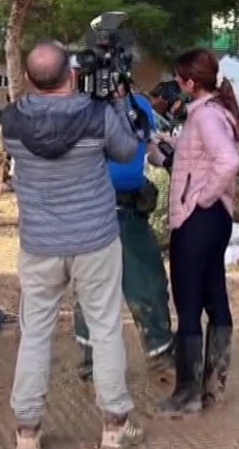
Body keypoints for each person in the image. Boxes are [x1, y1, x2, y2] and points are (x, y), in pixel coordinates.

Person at [2, 41, 144, 449]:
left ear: (28, 79)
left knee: (34, 334)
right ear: (72, 73)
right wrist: (115, 103)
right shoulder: (96, 115)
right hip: (95, 240)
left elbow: (44, 134)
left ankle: (27, 431)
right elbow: (127, 150)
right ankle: (115, 429)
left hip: (40, 244)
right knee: (104, 330)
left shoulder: (11, 121)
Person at [148, 47, 239, 418]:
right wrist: (171, 150)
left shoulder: (205, 116)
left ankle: (187, 394)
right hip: (216, 218)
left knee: (188, 304)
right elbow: (203, 157)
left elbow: (228, 160)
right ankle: (213, 385)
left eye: (179, 77)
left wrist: (199, 196)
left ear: (191, 82)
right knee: (214, 296)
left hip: (197, 219)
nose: (175, 83)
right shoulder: (215, 111)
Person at [72, 84, 176, 381]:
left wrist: (170, 159)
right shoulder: (79, 109)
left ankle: (159, 352)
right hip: (92, 210)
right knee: (91, 286)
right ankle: (92, 361)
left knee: (148, 281)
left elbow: (150, 147)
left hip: (129, 211)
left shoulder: (139, 106)